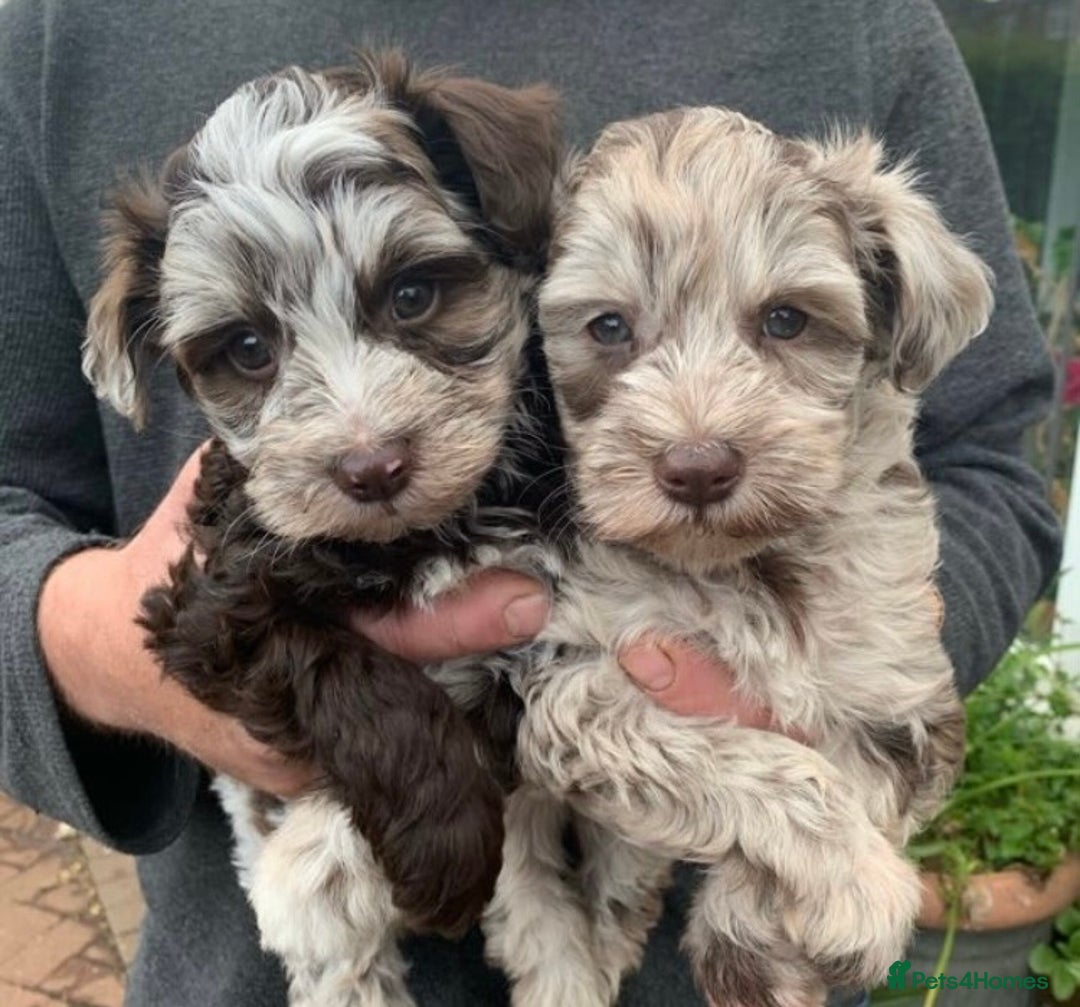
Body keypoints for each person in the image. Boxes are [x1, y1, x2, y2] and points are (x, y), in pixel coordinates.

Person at [0, 1, 1061, 1005]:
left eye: (417, 294)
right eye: (245, 351)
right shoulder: (59, 26)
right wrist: (115, 647)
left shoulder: (856, 21)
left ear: (508, 238)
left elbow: (988, 458)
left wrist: (852, 685)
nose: (365, 437)